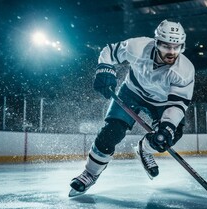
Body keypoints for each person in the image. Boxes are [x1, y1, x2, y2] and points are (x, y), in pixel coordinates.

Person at [69, 19, 195, 196]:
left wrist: (167, 126)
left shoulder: (185, 70)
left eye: (177, 47)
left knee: (167, 137)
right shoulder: (138, 47)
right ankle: (90, 173)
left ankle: (145, 148)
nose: (172, 52)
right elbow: (109, 52)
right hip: (131, 93)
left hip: (163, 103)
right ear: (156, 42)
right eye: (167, 46)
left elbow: (177, 104)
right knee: (111, 132)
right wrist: (105, 69)